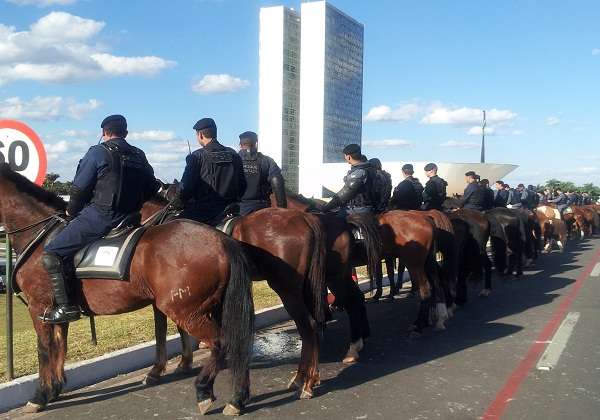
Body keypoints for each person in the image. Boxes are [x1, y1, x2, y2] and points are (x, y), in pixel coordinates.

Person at [42, 115, 159, 323]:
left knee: (52, 253)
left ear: (104, 133)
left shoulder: (98, 152)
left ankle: (66, 307)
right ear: (126, 133)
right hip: (132, 218)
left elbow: (79, 189)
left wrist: (71, 211)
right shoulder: (139, 154)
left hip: (100, 217)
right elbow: (152, 188)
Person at [175, 118, 246, 224]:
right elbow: (242, 186)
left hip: (205, 212)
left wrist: (178, 200)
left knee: (171, 225)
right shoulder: (234, 154)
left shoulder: (197, 156)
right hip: (232, 209)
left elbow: (186, 189)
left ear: (200, 135)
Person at [237, 131, 286, 216]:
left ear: (240, 145)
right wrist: (282, 210)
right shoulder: (267, 161)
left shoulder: (233, 159)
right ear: (256, 144)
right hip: (263, 208)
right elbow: (277, 182)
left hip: (238, 209)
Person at [320, 144, 376, 215]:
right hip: (368, 207)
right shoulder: (370, 169)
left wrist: (325, 208)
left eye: (345, 156)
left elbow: (344, 195)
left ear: (349, 157)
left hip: (358, 209)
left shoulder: (358, 173)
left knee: (332, 221)